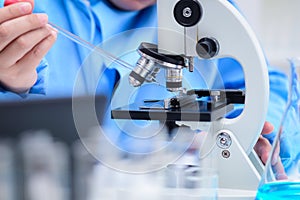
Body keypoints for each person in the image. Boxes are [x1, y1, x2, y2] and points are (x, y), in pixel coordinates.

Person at [0, 0, 298, 175]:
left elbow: (269, 86)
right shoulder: (21, 11)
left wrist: (261, 128)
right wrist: (10, 84)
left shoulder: (207, 9)